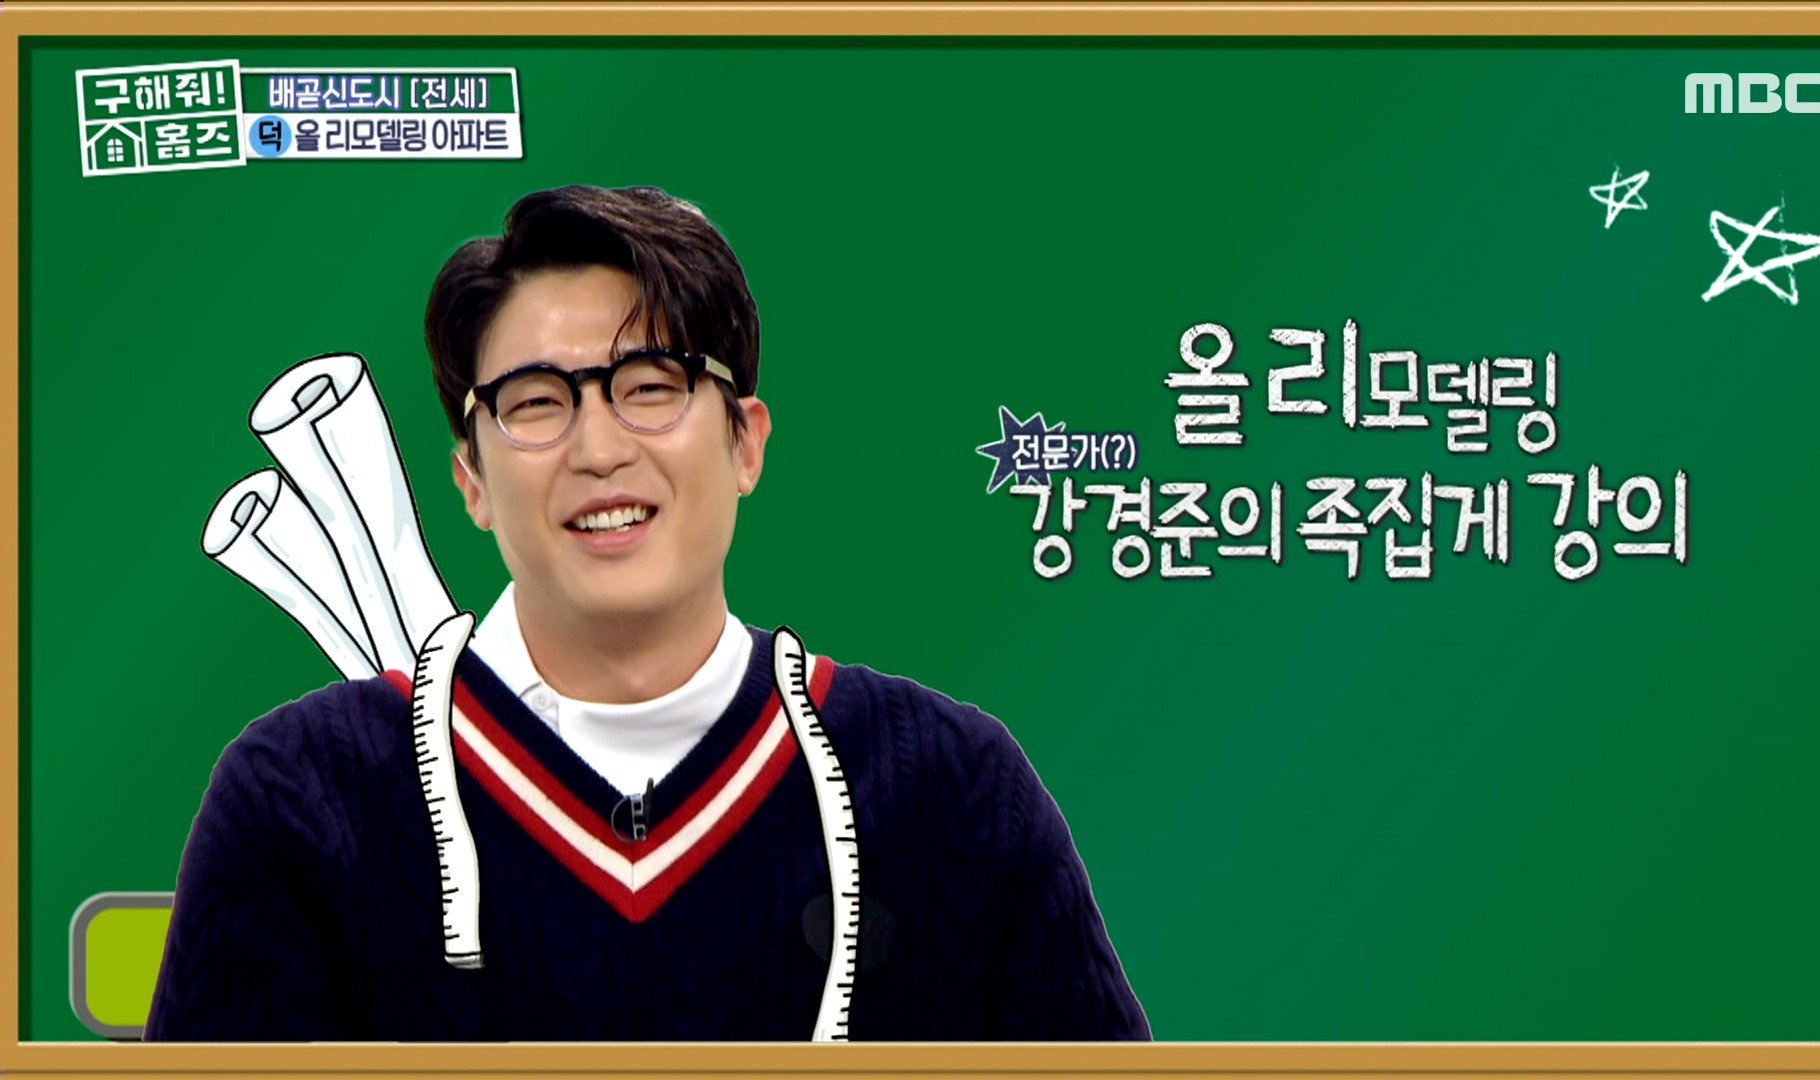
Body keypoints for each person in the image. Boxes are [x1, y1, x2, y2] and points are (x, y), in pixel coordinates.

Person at [145, 184, 1150, 1041]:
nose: (598, 449)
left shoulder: (949, 790)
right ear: (471, 481)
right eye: (536, 403)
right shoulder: (305, 799)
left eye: (650, 386)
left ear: (746, 443)